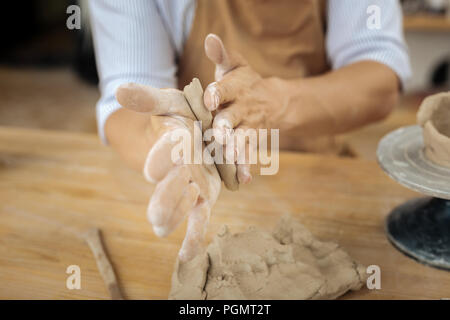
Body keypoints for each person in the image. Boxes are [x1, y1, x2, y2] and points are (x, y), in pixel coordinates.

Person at [89, 0, 411, 260]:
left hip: (322, 177)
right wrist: (166, 140)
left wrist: (274, 102)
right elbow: (126, 99)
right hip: (210, 196)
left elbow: (379, 77)